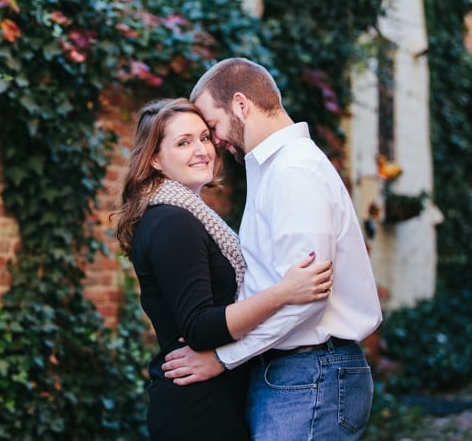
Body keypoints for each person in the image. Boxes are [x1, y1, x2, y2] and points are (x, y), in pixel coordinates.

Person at [161, 58, 383, 440]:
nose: (214, 141)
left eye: (212, 126)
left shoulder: (293, 172)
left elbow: (308, 298)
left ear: (241, 105)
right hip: (297, 374)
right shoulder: (274, 169)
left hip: (310, 374)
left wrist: (221, 358)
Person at [115, 97, 334, 440]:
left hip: (214, 397)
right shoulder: (174, 223)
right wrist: (284, 292)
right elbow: (200, 327)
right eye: (183, 143)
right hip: (198, 409)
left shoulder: (185, 216)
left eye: (204, 137)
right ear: (155, 159)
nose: (202, 150)